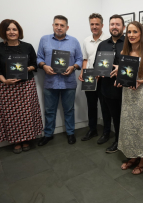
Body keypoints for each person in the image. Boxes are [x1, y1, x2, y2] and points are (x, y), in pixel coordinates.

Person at [0, 19, 43, 154]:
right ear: (3, 32)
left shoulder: (27, 47)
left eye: (14, 29)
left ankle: (27, 139)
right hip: (6, 88)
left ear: (19, 31)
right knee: (11, 117)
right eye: (8, 29)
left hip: (26, 86)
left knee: (27, 115)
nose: (12, 32)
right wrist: (5, 81)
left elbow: (35, 65)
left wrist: (25, 68)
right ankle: (16, 141)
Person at [114, 21, 143, 174]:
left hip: (141, 94)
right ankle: (132, 157)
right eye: (129, 32)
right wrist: (120, 80)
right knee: (128, 127)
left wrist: (142, 81)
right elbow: (125, 74)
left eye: (135, 32)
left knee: (140, 127)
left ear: (141, 34)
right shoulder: (124, 53)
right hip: (127, 94)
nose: (131, 35)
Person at [37, 15, 83, 146]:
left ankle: (70, 133)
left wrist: (73, 67)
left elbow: (80, 59)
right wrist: (43, 66)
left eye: (62, 25)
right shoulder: (44, 40)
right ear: (53, 25)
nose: (59, 27)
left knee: (69, 110)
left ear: (67, 27)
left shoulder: (74, 41)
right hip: (50, 82)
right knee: (49, 110)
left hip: (68, 82)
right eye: (56, 24)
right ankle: (48, 134)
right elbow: (38, 58)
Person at [93, 14, 125, 153]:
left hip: (123, 88)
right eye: (112, 24)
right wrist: (98, 71)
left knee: (120, 118)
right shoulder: (102, 44)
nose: (115, 27)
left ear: (123, 27)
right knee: (109, 114)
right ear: (108, 26)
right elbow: (96, 64)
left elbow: (135, 65)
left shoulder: (129, 43)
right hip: (106, 87)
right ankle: (109, 135)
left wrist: (121, 69)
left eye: (118, 24)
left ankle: (119, 142)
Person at [78, 13, 109, 141]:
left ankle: (106, 132)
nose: (94, 26)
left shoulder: (108, 39)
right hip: (90, 77)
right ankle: (92, 130)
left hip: (104, 79)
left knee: (105, 106)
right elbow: (85, 59)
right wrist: (82, 72)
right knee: (91, 105)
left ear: (102, 25)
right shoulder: (86, 40)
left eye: (97, 24)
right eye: (92, 24)